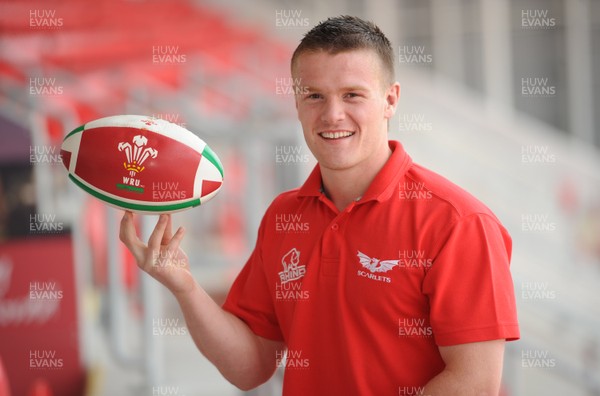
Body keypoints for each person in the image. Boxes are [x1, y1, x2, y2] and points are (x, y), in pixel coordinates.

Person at [120, 15, 520, 395]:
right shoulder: (284, 217)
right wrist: (184, 287)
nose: (332, 115)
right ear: (296, 103)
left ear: (390, 100)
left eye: (352, 95)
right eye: (314, 96)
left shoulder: (458, 223)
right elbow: (250, 366)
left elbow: (476, 383)